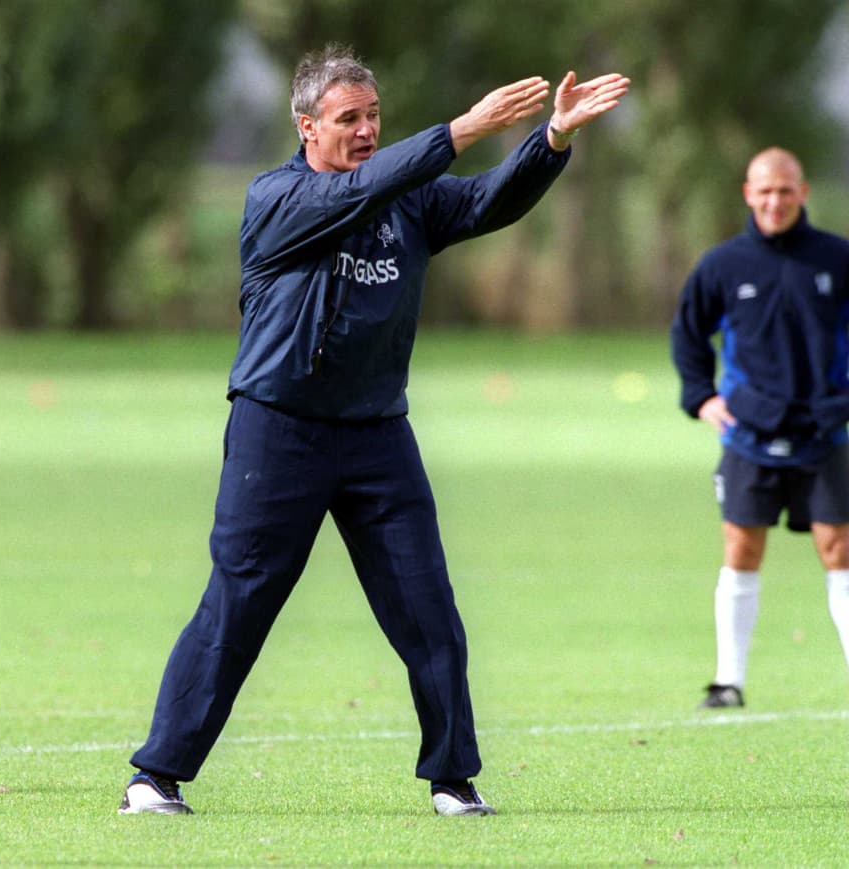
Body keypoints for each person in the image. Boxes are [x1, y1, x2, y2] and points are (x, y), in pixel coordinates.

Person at [118, 45, 629, 817]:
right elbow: (355, 192)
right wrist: (459, 129)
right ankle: (155, 777)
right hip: (277, 434)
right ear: (307, 126)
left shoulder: (411, 202)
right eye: (348, 118)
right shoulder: (275, 198)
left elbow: (489, 199)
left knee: (431, 614)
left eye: (373, 117)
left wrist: (551, 137)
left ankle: (454, 781)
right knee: (238, 607)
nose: (364, 130)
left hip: (377, 437)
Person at [671, 147, 849, 710]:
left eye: (786, 190)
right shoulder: (723, 264)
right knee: (741, 548)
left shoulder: (837, 259)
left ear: (803, 193)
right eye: (765, 191)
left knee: (839, 547)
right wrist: (702, 398)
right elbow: (687, 333)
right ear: (749, 194)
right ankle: (729, 681)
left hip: (825, 430)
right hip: (749, 432)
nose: (775, 201)